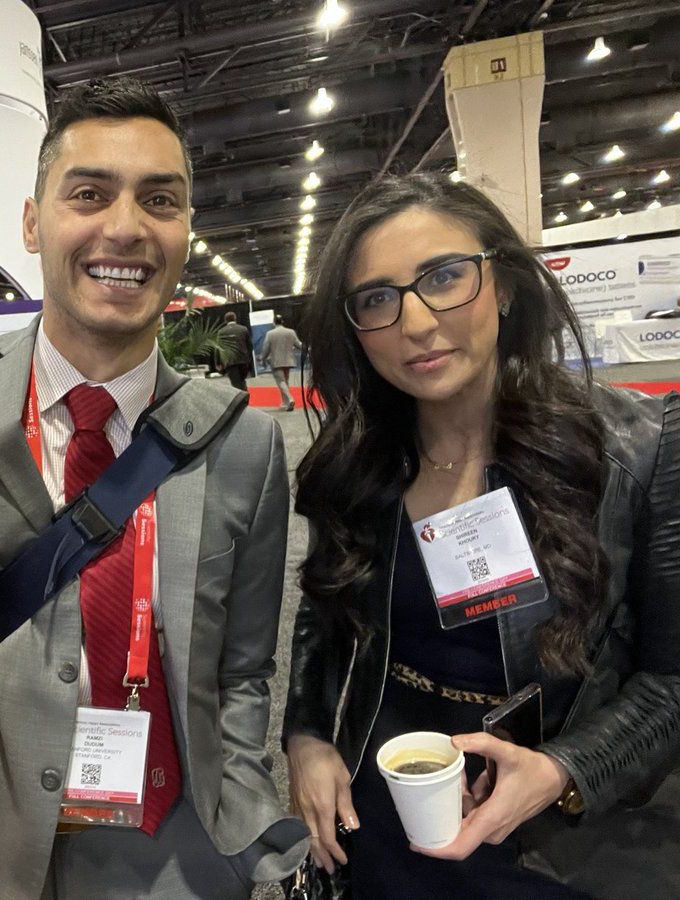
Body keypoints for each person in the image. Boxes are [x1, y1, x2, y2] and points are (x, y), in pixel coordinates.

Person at [0, 77, 308, 900]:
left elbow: (243, 668)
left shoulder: (244, 443)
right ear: (31, 220)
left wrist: (239, 816)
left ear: (187, 230)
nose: (124, 227)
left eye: (160, 200)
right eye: (89, 193)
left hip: (174, 850)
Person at [282, 172, 680, 899]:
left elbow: (675, 679)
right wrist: (306, 736)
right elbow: (325, 612)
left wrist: (567, 770)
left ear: (502, 285)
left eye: (443, 277)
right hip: (390, 810)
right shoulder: (356, 464)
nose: (417, 322)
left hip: (561, 841)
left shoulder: (638, 449)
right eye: (377, 298)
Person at [260, 313, 301, 410]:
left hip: (276, 361)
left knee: (281, 381)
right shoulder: (291, 332)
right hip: (289, 360)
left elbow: (266, 348)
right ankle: (284, 402)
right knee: (285, 381)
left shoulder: (270, 334)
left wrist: (263, 358)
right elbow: (299, 344)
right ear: (282, 321)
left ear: (274, 323)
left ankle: (290, 399)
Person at [217, 310, 253, 391]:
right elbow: (249, 345)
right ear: (235, 318)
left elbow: (219, 348)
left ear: (225, 320)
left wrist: (218, 362)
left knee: (236, 383)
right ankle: (245, 396)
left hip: (230, 361)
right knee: (242, 380)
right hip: (243, 360)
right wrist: (249, 358)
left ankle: (242, 399)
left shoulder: (221, 332)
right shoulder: (244, 329)